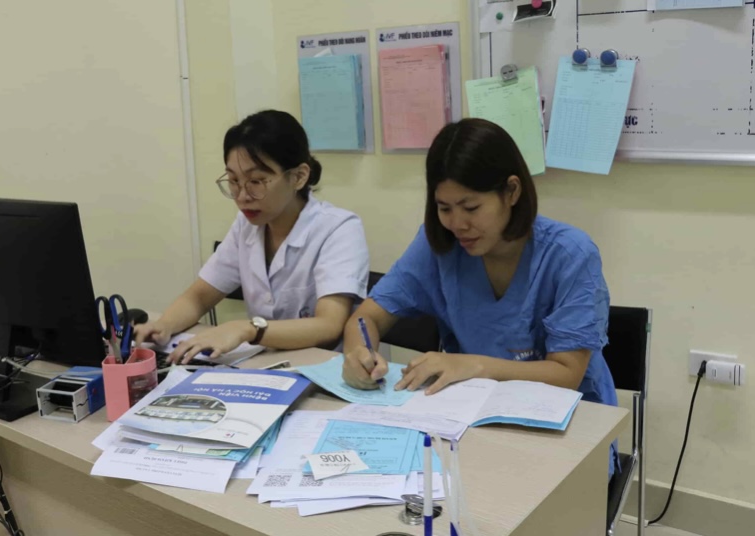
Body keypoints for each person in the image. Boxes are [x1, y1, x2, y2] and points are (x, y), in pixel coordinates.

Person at [341, 118, 618, 476]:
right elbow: (366, 318)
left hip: (567, 431)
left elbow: (566, 373)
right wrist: (358, 352)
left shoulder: (569, 254)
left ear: (512, 192)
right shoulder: (437, 245)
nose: (457, 224)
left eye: (471, 208)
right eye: (444, 208)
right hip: (470, 424)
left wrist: (473, 366)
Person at [136, 110, 369, 363]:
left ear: (299, 176)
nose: (242, 196)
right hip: (262, 366)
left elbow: (328, 326)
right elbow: (200, 296)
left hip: (323, 370)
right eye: (234, 181)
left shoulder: (338, 228)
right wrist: (164, 326)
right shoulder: (247, 224)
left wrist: (248, 328)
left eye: (257, 181)